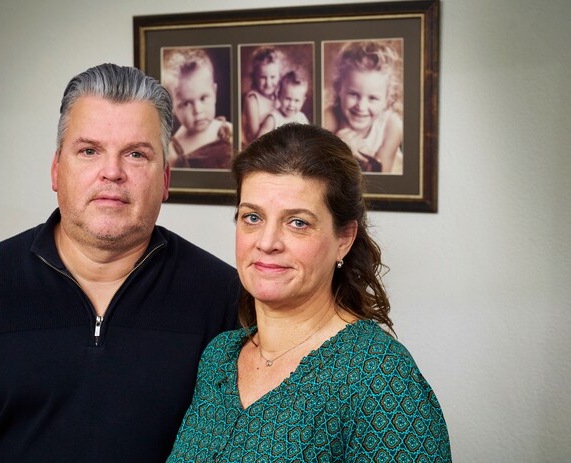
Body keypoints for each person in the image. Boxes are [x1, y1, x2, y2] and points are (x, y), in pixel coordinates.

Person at [0, 63, 240, 462]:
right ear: (57, 169)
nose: (112, 172)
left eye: (136, 154)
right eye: (89, 151)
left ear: (165, 179)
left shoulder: (221, 296)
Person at [167, 123, 451, 462]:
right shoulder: (219, 358)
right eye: (252, 217)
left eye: (297, 222)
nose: (267, 242)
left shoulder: (380, 376)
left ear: (344, 238)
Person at [323, 41, 404, 174]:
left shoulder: (392, 127)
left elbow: (381, 176)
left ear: (387, 100)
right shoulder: (329, 118)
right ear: (339, 89)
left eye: (373, 98)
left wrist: (347, 154)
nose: (361, 106)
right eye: (353, 94)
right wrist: (336, 148)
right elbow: (320, 173)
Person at [162, 48, 233, 169]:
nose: (198, 110)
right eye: (186, 103)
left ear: (214, 93)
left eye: (203, 98)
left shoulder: (227, 130)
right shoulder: (173, 152)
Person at [241, 46, 283, 147]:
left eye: (273, 77)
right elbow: (255, 138)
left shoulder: (279, 97)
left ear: (279, 76)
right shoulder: (252, 100)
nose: (268, 83)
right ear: (254, 77)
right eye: (263, 77)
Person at [258, 70, 310, 137]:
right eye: (288, 99)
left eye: (296, 100)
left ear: (303, 101)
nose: (291, 104)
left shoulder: (302, 118)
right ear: (279, 96)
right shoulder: (273, 119)